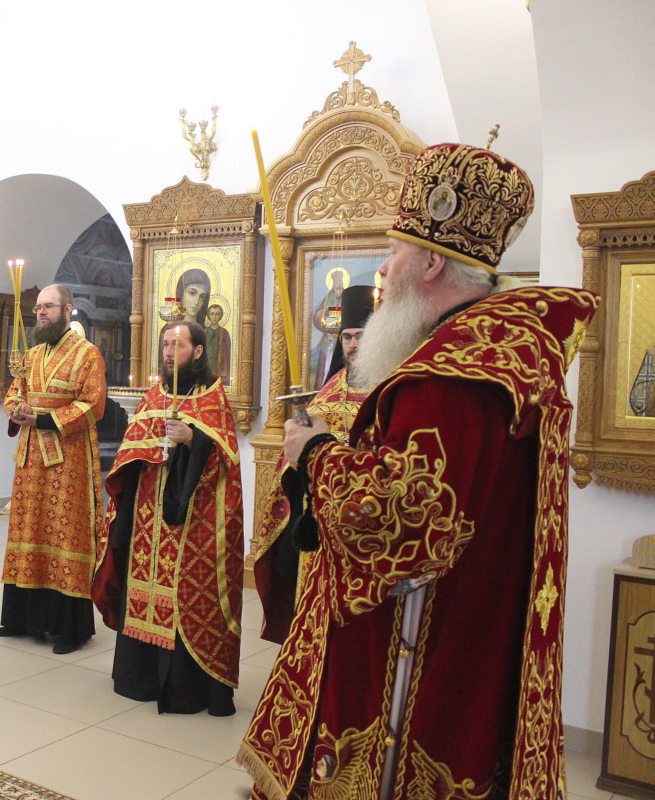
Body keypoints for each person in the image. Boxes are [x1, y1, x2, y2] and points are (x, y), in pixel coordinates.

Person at [238, 143, 598, 799]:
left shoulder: (451, 377)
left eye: (396, 250)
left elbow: (401, 523)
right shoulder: (503, 353)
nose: (387, 265)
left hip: (419, 667)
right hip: (472, 642)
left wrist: (315, 454)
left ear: (432, 262)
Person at [91, 319, 244, 715]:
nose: (169, 352)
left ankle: (185, 688)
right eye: (165, 345)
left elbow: (226, 459)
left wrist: (193, 439)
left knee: (186, 593)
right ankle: (137, 677)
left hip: (191, 519)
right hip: (145, 514)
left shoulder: (213, 396)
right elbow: (129, 449)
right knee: (139, 582)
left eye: (178, 345)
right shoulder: (153, 394)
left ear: (198, 351)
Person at [249, 284, 375, 645]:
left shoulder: (390, 389)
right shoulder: (332, 386)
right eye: (347, 337)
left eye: (361, 336)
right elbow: (300, 451)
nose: (352, 345)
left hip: (364, 521)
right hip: (319, 517)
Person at [0, 283, 106, 654]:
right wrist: (15, 408)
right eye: (39, 308)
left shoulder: (87, 354)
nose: (41, 313)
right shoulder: (31, 354)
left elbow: (94, 405)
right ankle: (22, 619)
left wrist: (42, 418)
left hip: (68, 458)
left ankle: (69, 629)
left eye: (49, 306)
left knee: (64, 534)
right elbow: (15, 391)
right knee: (30, 527)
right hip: (30, 459)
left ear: (68, 309)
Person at [202, 303, 231, 382]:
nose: (214, 317)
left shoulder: (224, 333)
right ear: (208, 315)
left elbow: (228, 352)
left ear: (220, 316)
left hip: (220, 364)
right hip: (207, 363)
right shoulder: (204, 332)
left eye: (217, 314)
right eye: (212, 314)